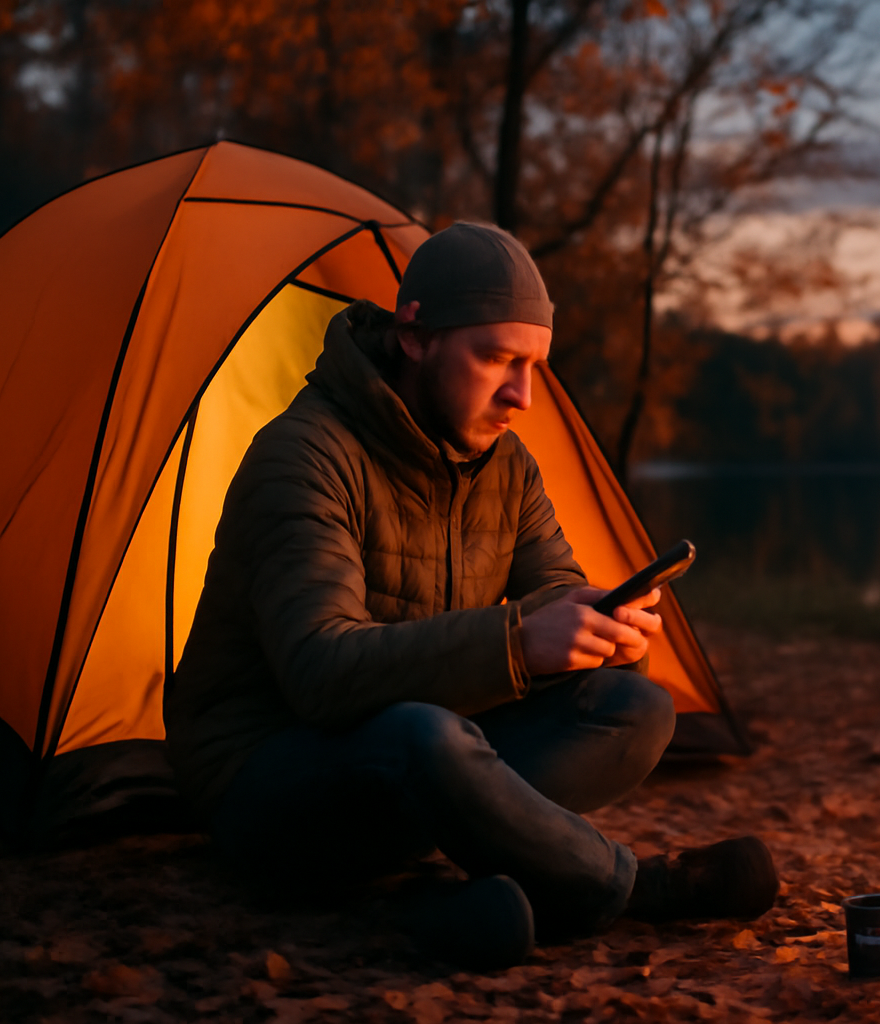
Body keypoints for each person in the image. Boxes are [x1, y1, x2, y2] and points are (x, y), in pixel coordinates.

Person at [163, 222, 778, 968]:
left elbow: (551, 583)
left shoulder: (505, 465)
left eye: (534, 366)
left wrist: (595, 625)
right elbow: (319, 673)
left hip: (430, 757)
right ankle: (631, 887)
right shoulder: (304, 455)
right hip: (267, 778)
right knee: (424, 736)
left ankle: (447, 904)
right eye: (496, 359)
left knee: (634, 709)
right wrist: (518, 643)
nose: (521, 395)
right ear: (415, 336)